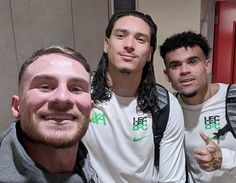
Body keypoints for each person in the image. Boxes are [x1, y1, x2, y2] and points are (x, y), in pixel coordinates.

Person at [82, 11, 186, 183]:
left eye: (140, 39)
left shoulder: (165, 105)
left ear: (149, 54)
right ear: (106, 44)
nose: (129, 45)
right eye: (121, 35)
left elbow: (172, 179)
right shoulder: (81, 93)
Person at [0, 46, 99, 183]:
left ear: (90, 111)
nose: (63, 98)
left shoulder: (88, 171)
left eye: (76, 89)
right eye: (45, 86)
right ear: (17, 106)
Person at [160, 31, 236, 182]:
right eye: (175, 65)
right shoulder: (168, 110)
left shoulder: (233, 99)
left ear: (207, 65)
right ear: (167, 75)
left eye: (193, 61)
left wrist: (225, 159)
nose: (184, 71)